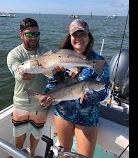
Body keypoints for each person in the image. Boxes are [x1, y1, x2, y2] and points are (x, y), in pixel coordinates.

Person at [39, 19, 110, 158]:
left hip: (87, 116)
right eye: (74, 35)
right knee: (64, 153)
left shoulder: (98, 61)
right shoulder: (60, 57)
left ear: (89, 37)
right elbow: (51, 85)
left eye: (82, 34)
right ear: (70, 37)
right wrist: (46, 96)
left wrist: (87, 92)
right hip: (63, 113)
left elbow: (104, 91)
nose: (78, 38)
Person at [7, 18, 51, 158]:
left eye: (36, 34)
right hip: (21, 103)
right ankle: (17, 155)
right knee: (19, 135)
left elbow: (53, 75)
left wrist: (57, 70)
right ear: (21, 35)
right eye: (29, 34)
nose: (34, 37)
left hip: (41, 103)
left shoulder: (46, 52)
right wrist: (25, 74)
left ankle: (32, 154)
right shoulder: (14, 54)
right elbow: (18, 73)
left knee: (36, 134)